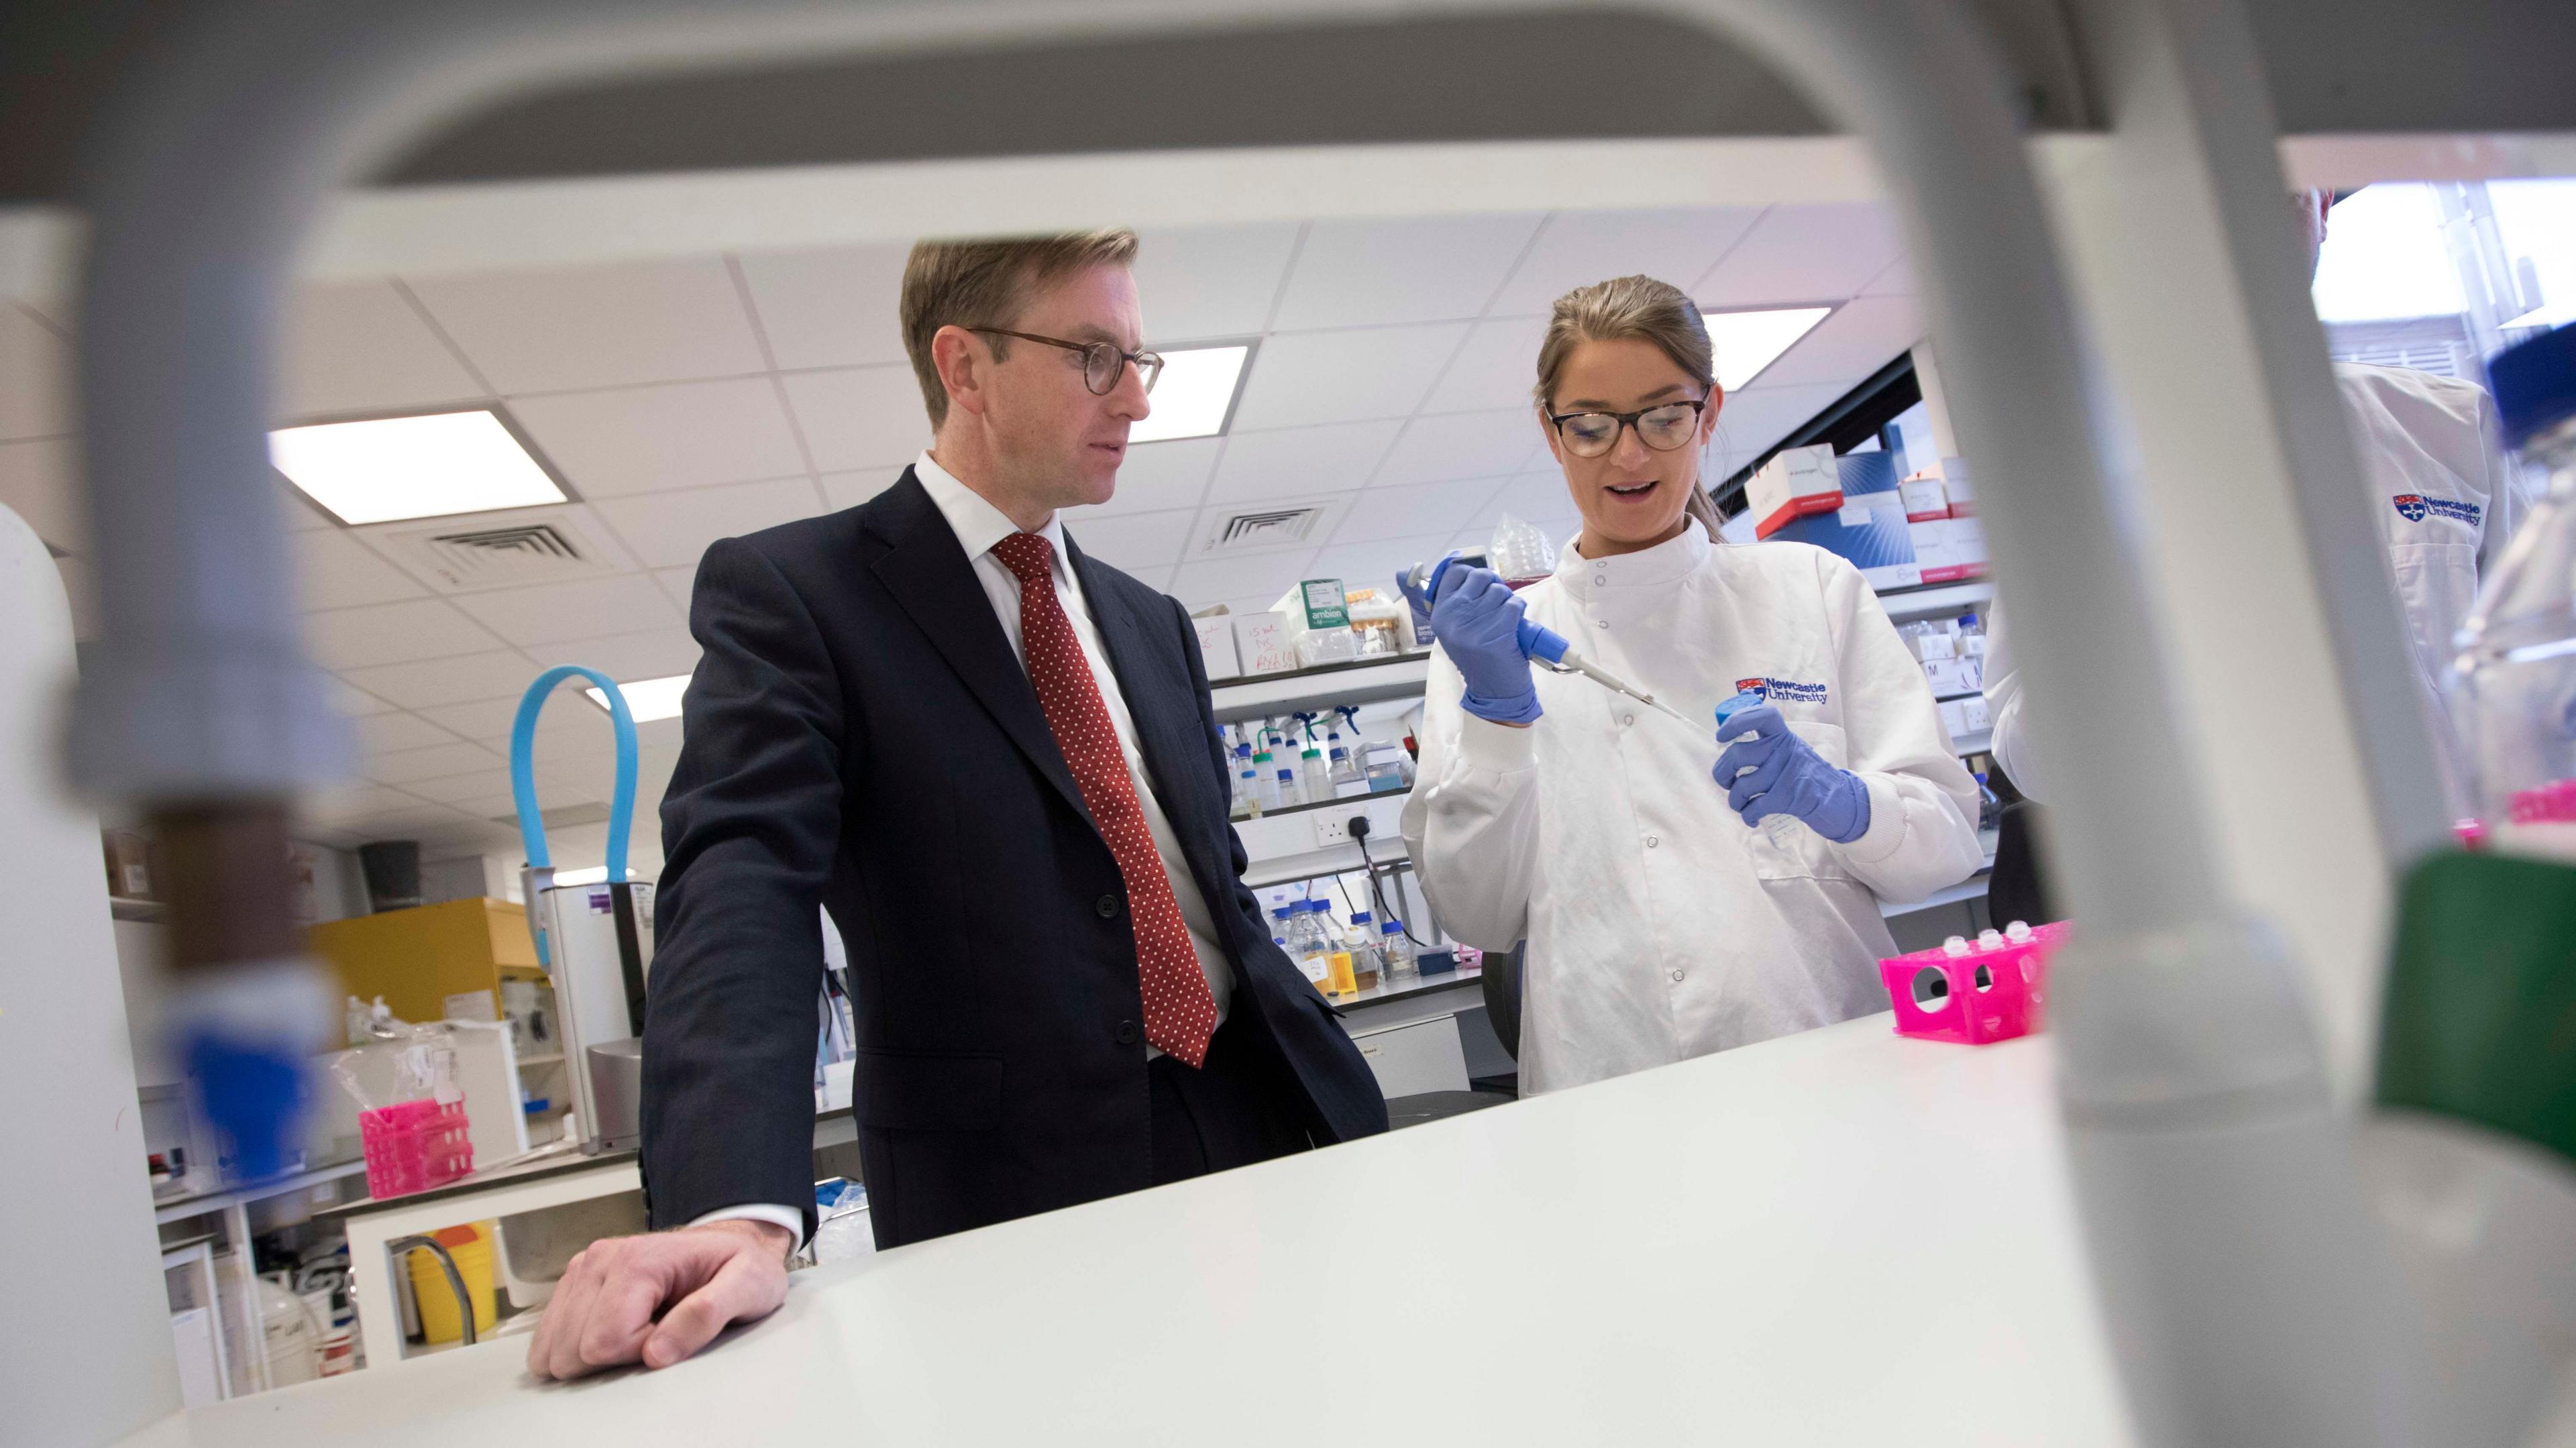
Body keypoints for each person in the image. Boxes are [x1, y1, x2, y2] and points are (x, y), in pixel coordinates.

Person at [527, 229, 1386, 1380]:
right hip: (1021, 1183)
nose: (1134, 396)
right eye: (1094, 354)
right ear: (965, 366)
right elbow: (742, 878)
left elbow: (1209, 885)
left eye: (1141, 358)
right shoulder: (802, 596)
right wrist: (731, 1204)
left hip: (1270, 1105)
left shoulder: (1148, 619)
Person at [1400, 275, 1984, 1096]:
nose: (1630, 455)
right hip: (1609, 1087)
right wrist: (1496, 718)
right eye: (1593, 426)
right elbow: (1479, 915)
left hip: (1835, 1068)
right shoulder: (1487, 645)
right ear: (1552, 430)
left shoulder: (1811, 586)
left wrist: (1841, 798)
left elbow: (1944, 847)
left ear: (1708, 412)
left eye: (1664, 416)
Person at [1986, 188, 2538, 849]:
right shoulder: (2072, 482)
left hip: (2473, 882)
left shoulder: (2448, 424)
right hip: (2254, 908)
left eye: (2275, 199)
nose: (2240, 229)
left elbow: (2543, 669)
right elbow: (2033, 762)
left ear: (2325, 206)